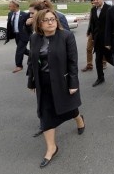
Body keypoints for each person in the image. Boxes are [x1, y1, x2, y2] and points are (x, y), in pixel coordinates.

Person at [27, 9, 85, 168]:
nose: (51, 22)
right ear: (39, 23)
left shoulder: (66, 36)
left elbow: (73, 61)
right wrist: (31, 81)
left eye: (53, 19)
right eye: (46, 20)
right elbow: (32, 61)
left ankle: (79, 119)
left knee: (69, 109)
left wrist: (73, 83)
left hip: (63, 81)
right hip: (43, 82)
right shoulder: (34, 38)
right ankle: (51, 148)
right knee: (46, 114)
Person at [88, 0, 114, 87]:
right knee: (98, 59)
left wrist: (111, 40)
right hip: (97, 39)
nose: (95, 1)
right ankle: (100, 78)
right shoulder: (93, 10)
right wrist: (93, 36)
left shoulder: (110, 9)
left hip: (107, 40)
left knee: (109, 58)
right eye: (94, 0)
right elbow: (93, 24)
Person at [5, 0, 31, 73]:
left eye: (10, 6)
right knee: (23, 50)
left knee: (19, 50)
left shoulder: (25, 15)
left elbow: (29, 26)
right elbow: (9, 25)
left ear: (15, 6)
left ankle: (19, 66)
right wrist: (8, 36)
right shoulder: (10, 14)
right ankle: (36, 55)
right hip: (16, 35)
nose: (8, 7)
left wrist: (29, 35)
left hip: (24, 36)